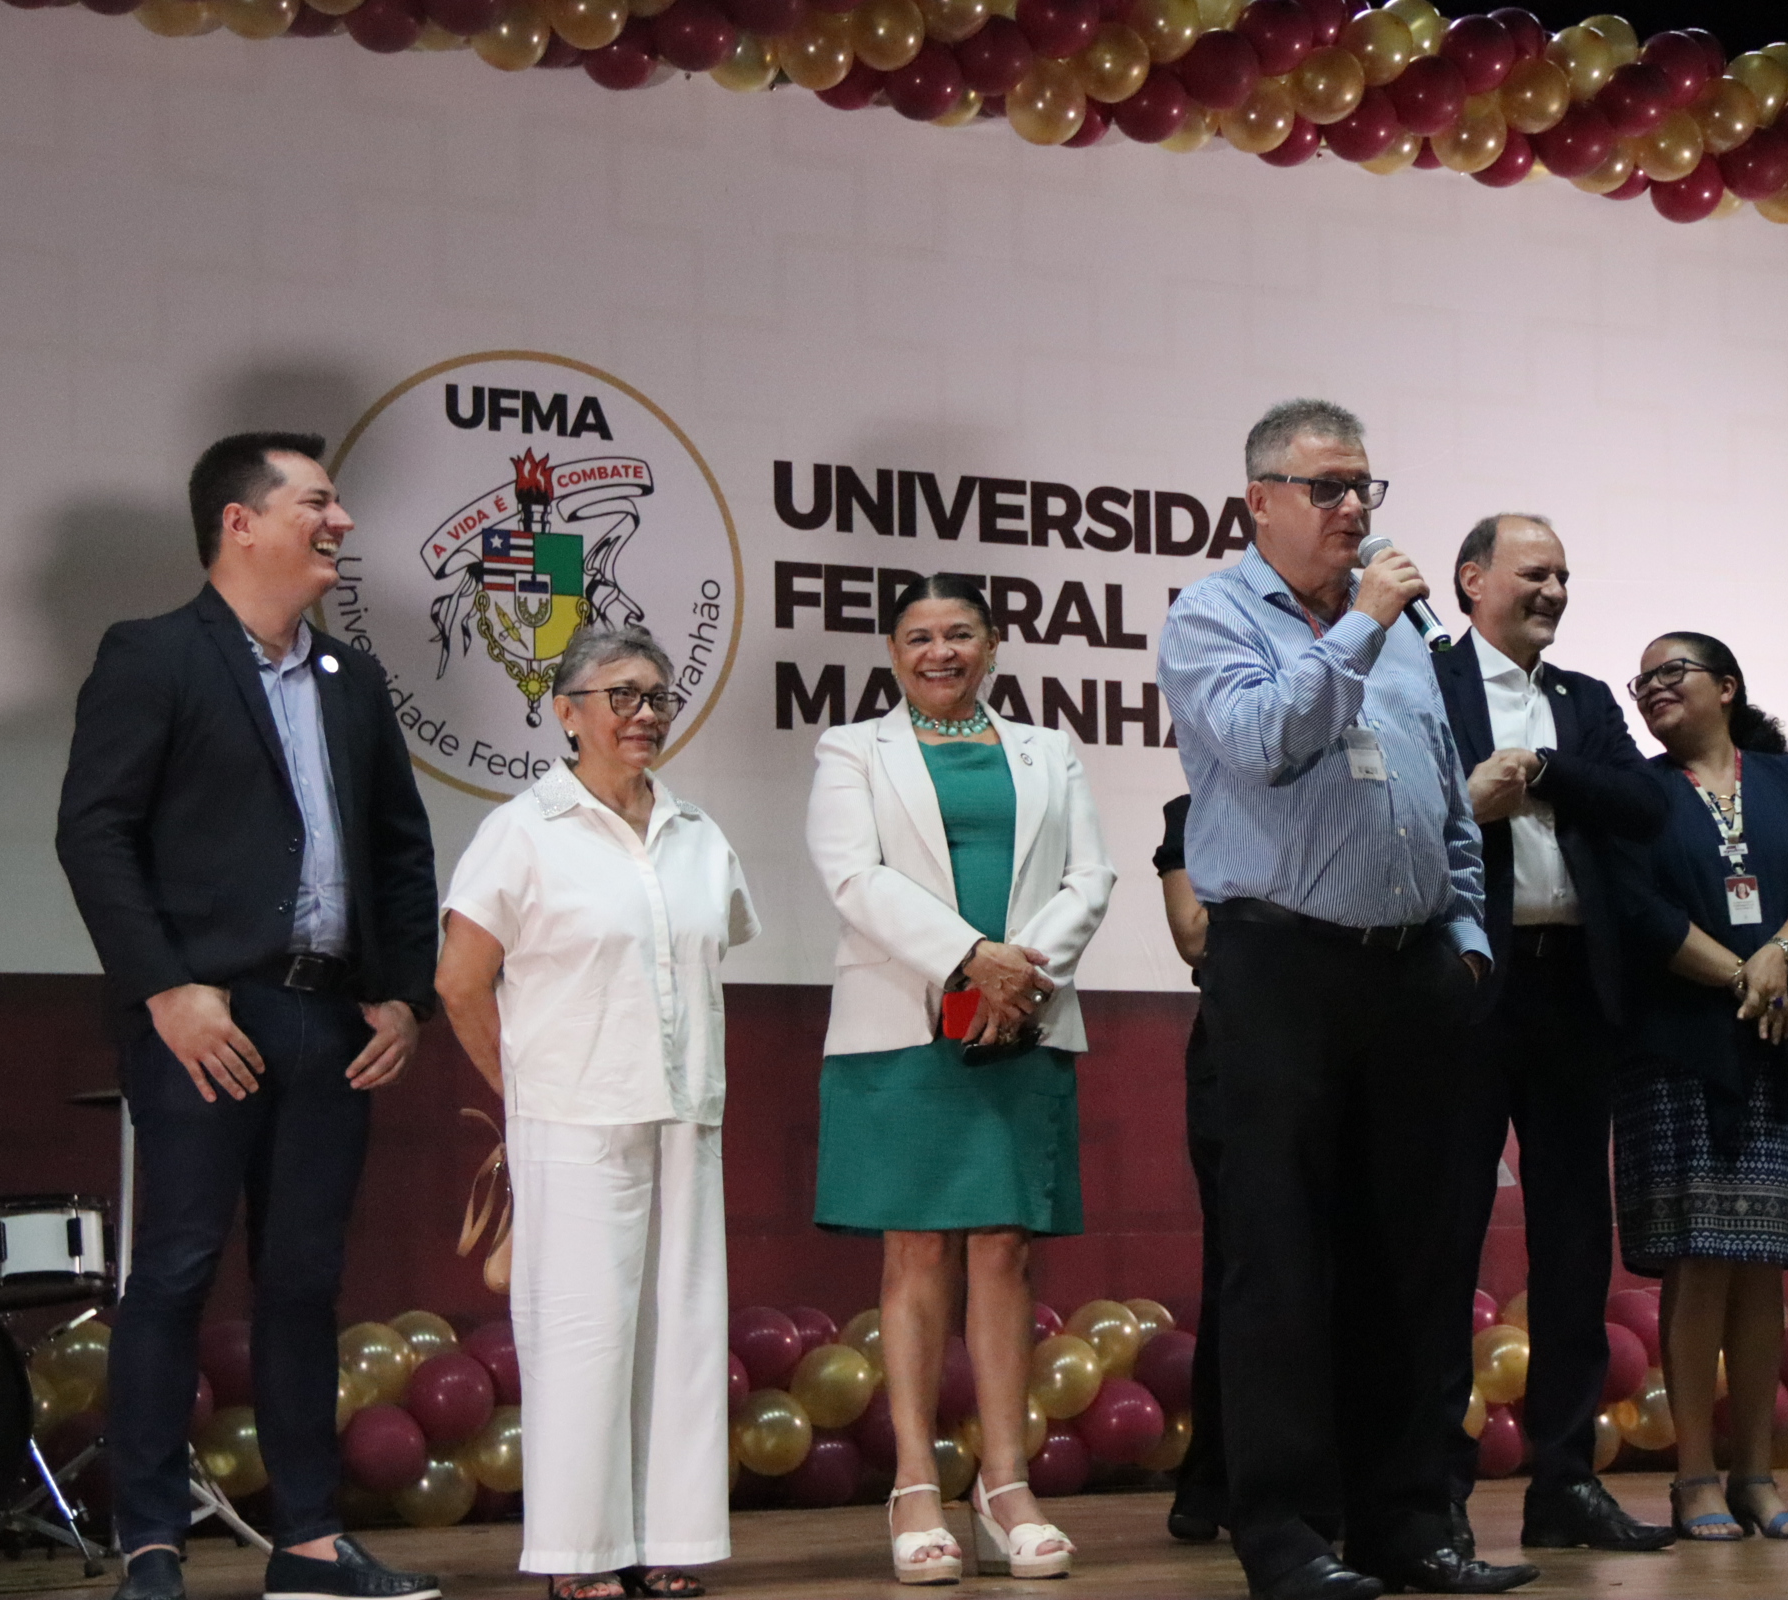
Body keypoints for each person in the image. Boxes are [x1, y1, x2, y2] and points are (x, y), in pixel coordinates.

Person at [1159, 398, 1536, 1600]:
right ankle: (1286, 1531)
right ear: (1259, 500)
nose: (1352, 509)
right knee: (1280, 1261)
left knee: (1413, 1259)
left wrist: (1465, 937)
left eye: (1364, 486)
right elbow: (1264, 740)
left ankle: (1408, 1523)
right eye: (1326, 487)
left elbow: (1443, 798)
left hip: (1412, 973)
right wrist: (1363, 624)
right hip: (1280, 968)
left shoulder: (1408, 640)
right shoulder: (1213, 617)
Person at [55, 433, 441, 1600]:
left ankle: (309, 1543)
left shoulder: (353, 680)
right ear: (241, 521)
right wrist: (165, 987)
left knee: (304, 1285)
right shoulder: (154, 654)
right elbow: (94, 832)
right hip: (204, 1019)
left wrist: (405, 995)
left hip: (330, 1020)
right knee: (173, 1272)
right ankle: (152, 1546)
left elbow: (401, 851)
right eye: (318, 502)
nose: (343, 522)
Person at [804, 574, 1115, 1584]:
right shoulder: (853, 749)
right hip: (902, 1024)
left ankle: (1004, 1484)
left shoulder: (1047, 749)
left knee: (1004, 1248)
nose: (940, 652)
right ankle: (913, 1486)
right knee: (917, 1247)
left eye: (959, 634)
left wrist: (1018, 974)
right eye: (918, 637)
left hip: (1021, 1020)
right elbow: (854, 877)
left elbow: (1090, 877)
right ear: (893, 653)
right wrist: (970, 956)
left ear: (993, 644)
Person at [435, 625, 757, 1599]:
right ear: (567, 712)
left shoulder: (698, 834)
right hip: (572, 1123)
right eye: (621, 695)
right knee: (583, 1341)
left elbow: (713, 948)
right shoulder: (523, 830)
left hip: (684, 1116)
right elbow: (459, 981)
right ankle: (579, 1556)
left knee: (680, 1335)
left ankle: (666, 1538)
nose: (644, 713)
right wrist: (521, 1089)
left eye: (656, 695)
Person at [1432, 515, 1672, 1552]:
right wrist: (1470, 797)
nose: (1555, 592)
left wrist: (1541, 769)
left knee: (1575, 1240)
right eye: (1535, 573)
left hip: (1575, 986)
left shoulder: (1583, 699)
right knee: (1443, 1237)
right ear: (1472, 580)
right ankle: (1434, 1486)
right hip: (1465, 986)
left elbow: (1642, 804)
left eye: (1564, 576)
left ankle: (1565, 1480)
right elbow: (1392, 811)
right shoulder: (1425, 680)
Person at [1607, 632, 1788, 1544]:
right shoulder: (1639, 790)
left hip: (1780, 1041)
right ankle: (1694, 1479)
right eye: (1642, 681)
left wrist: (1780, 957)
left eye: (1672, 672)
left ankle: (1756, 1474)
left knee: (1762, 1263)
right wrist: (1747, 978)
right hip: (1679, 1045)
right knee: (1699, 1258)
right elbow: (1639, 910)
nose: (1653, 689)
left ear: (1728, 686)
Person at [1152, 793, 1227, 1544]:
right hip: (1238, 1049)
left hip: (1343, 1041)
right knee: (1243, 1269)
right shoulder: (1192, 813)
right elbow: (1195, 935)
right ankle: (1214, 1475)